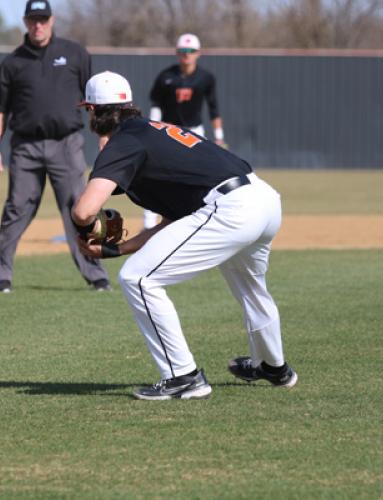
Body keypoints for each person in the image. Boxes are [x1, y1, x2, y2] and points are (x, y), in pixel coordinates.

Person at [72, 71, 297, 401]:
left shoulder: (124, 141)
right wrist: (118, 249)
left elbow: (83, 210)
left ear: (93, 111)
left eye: (88, 110)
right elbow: (172, 224)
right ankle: (273, 367)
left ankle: (183, 376)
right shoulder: (153, 132)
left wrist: (85, 233)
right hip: (262, 198)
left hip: (231, 209)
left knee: (138, 279)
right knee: (251, 289)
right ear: (128, 106)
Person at [0, 0, 110, 293]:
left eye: (42, 19)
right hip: (26, 148)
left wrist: (103, 135)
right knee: (17, 209)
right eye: (32, 20)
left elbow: (93, 98)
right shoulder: (13, 62)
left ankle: (96, 275)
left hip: (66, 144)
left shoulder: (74, 54)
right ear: (25, 22)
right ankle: (1, 276)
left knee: (80, 209)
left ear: (52, 21)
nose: (37, 25)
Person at [143, 33, 227, 230]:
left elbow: (213, 108)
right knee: (154, 174)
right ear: (176, 53)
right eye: (182, 51)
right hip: (168, 132)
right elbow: (156, 103)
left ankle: (200, 219)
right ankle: (148, 223)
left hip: (195, 132)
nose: (186, 55)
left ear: (198, 53)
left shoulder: (206, 78)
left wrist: (219, 137)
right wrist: (153, 130)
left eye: (190, 51)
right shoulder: (166, 77)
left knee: (201, 175)